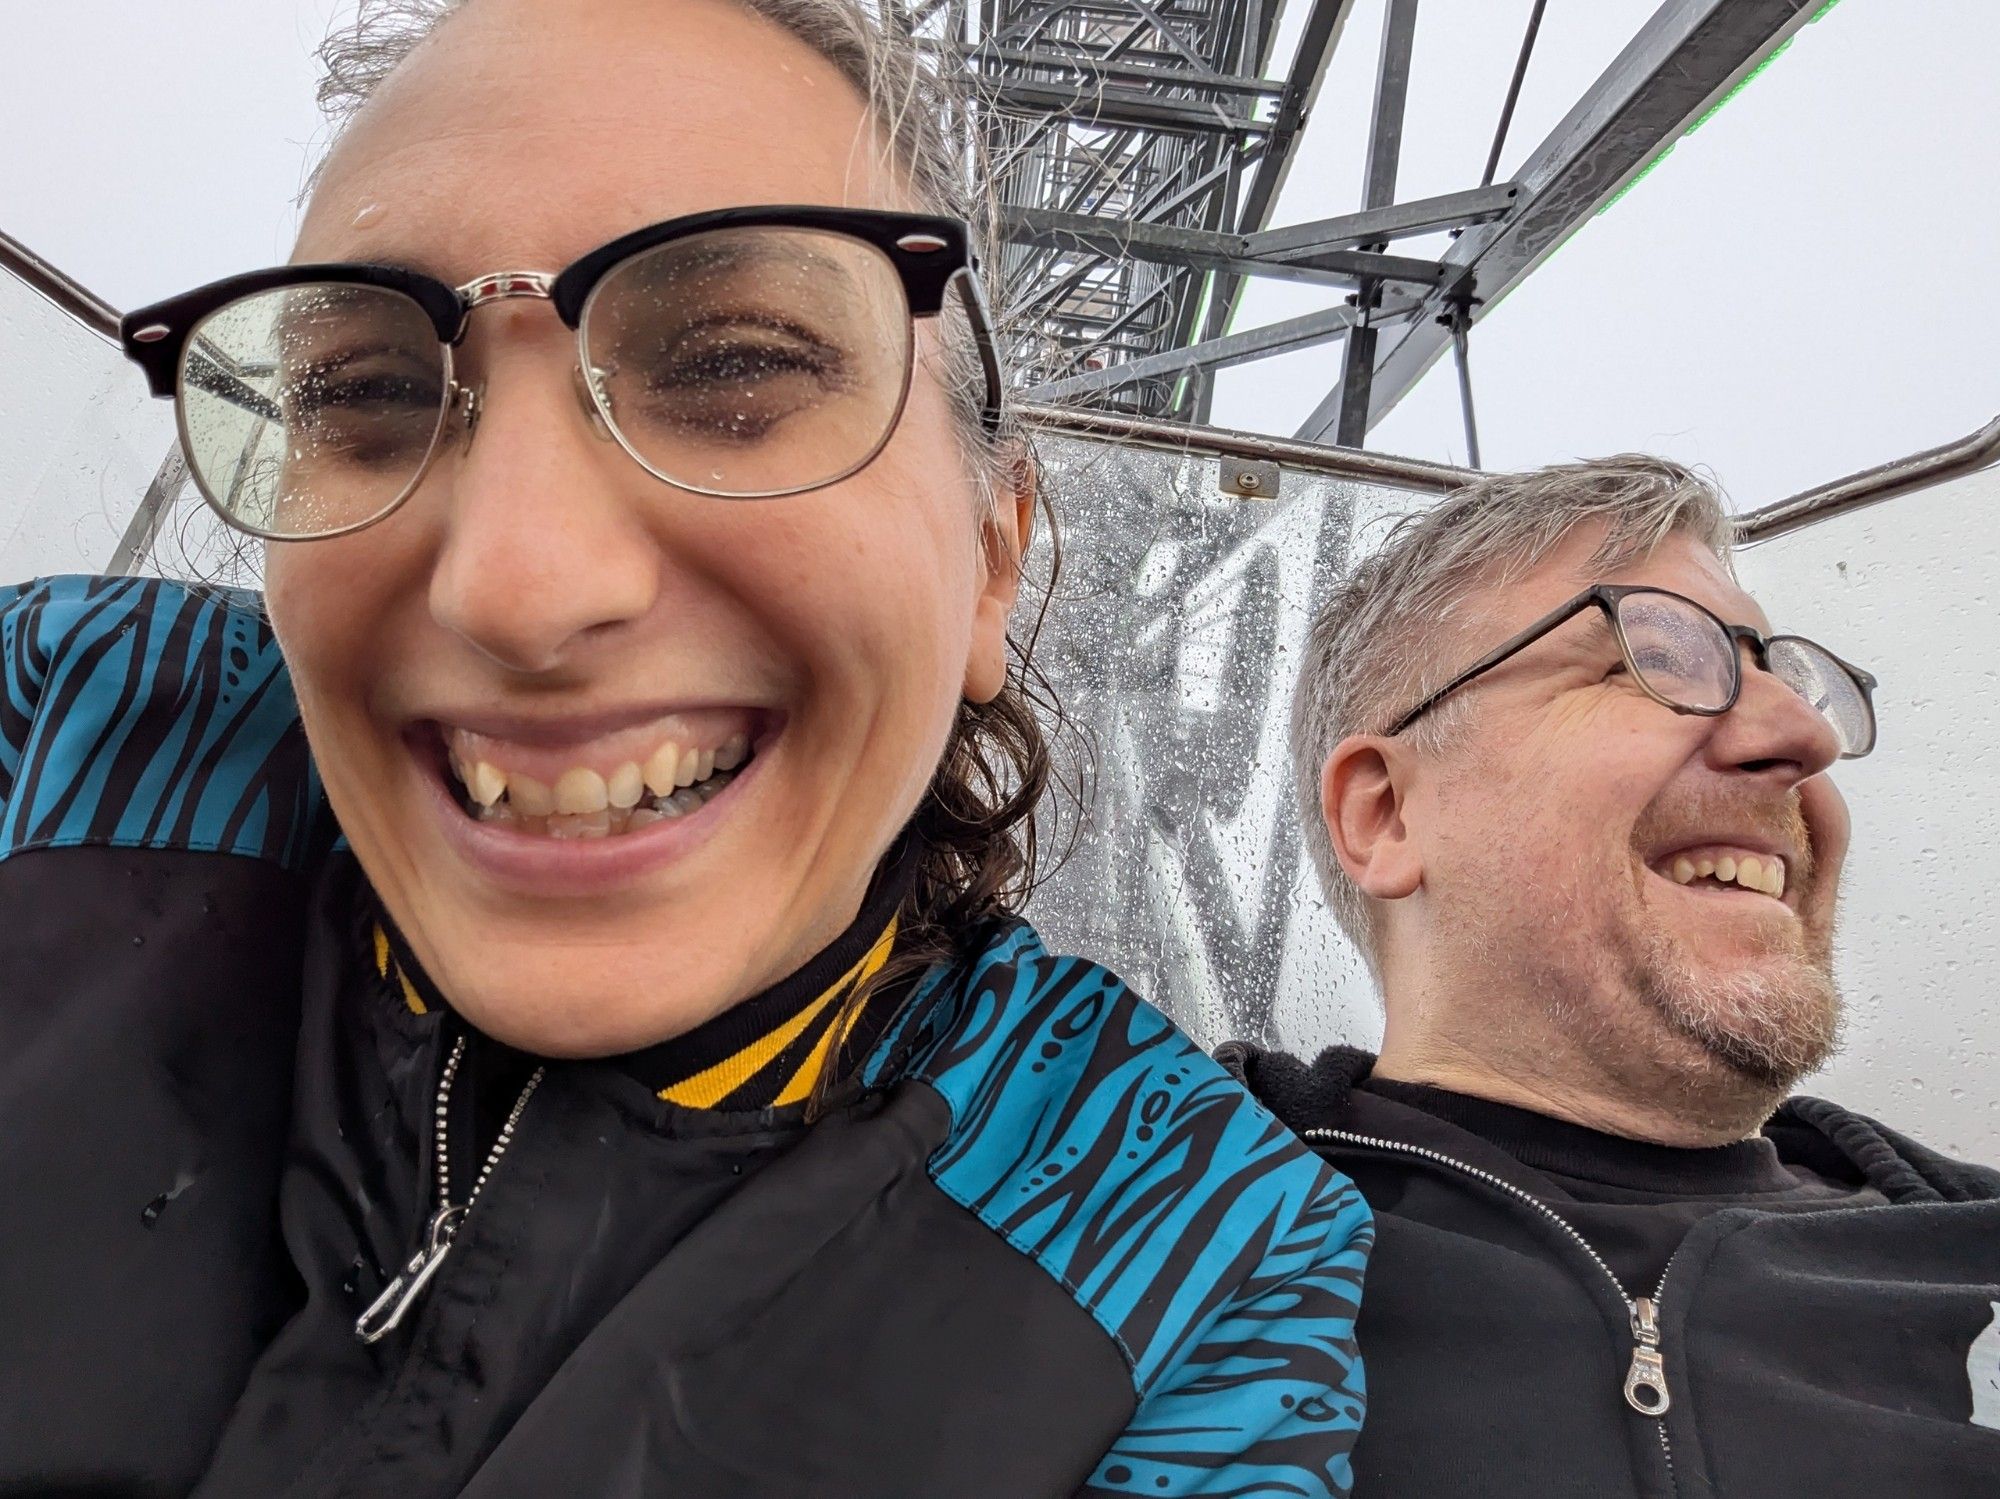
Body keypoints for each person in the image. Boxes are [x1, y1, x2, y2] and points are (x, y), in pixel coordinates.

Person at [0, 0, 1376, 1492]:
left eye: (733, 365)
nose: (518, 585)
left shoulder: (1180, 1225)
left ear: (993, 560)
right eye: (371, 394)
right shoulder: (77, 714)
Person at [1223, 455, 2000, 1497]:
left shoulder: (1965, 1257)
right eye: (1657, 656)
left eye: (1791, 679)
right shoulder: (1128, 1231)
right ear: (1386, 813)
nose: (1801, 735)